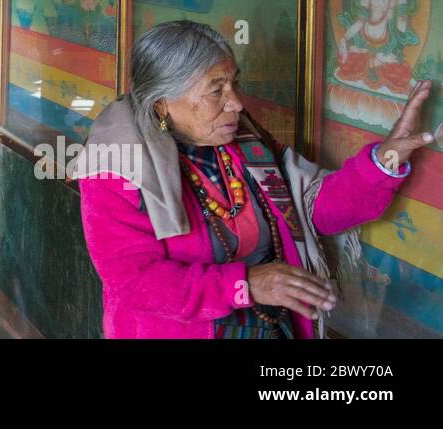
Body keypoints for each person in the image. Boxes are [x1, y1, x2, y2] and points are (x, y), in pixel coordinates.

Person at [77, 19, 434, 338]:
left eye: (234, 83)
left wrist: (386, 159)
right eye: (216, 90)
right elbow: (134, 282)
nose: (236, 102)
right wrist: (244, 284)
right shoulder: (116, 165)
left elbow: (317, 209)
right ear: (163, 105)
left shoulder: (246, 144)